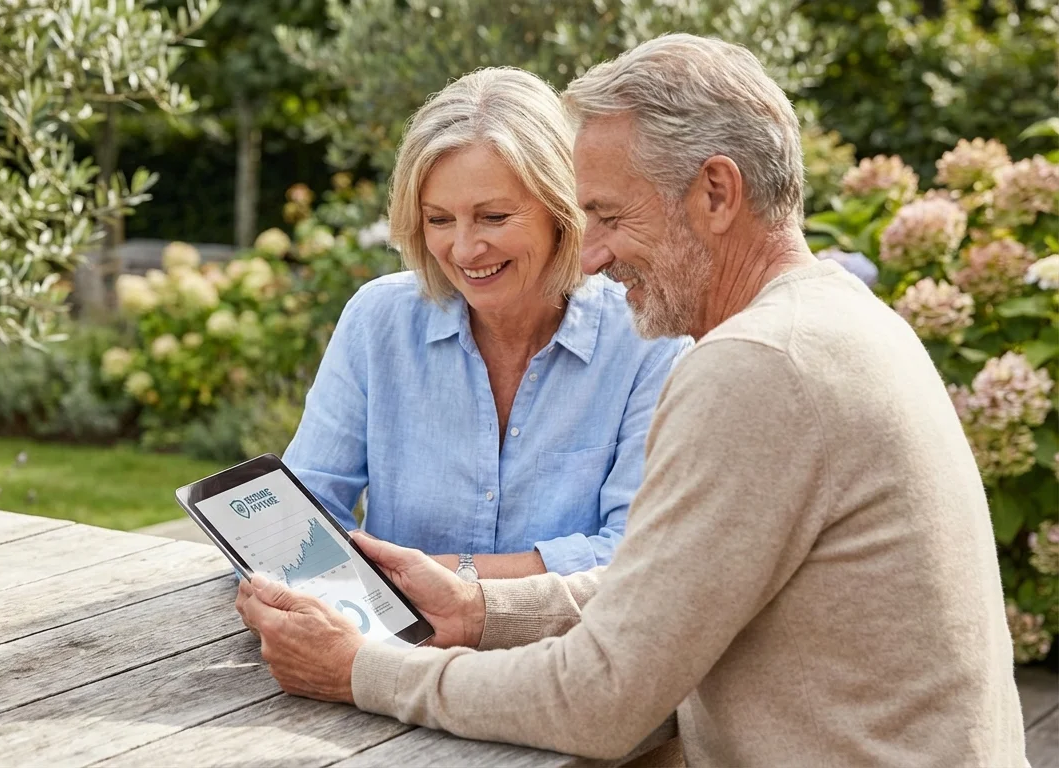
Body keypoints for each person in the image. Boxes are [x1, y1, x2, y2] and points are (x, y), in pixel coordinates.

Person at [236, 33, 1029, 765]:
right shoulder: (837, 321)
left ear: (716, 192)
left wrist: (365, 670)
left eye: (609, 216)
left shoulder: (756, 368)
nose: (596, 254)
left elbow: (599, 700)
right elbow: (662, 590)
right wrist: (481, 613)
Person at [282, 67, 691, 580]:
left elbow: (637, 554)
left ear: (560, 210)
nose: (465, 249)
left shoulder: (646, 340)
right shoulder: (378, 321)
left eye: (494, 217)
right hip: (396, 653)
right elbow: (303, 512)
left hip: (561, 654)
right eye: (439, 220)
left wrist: (444, 580)